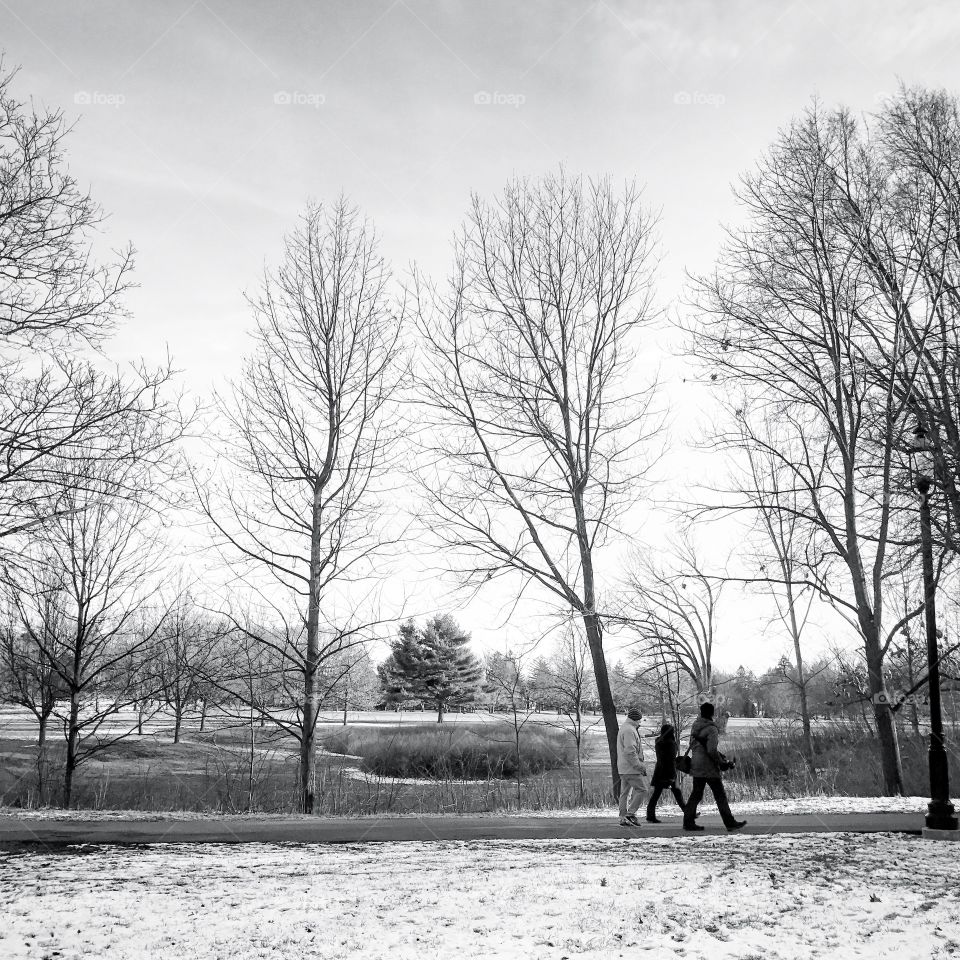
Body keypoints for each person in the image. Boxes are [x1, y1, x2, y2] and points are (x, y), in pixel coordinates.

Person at [682, 702, 747, 833]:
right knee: (720, 795)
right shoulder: (712, 729)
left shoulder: (696, 726)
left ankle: (688, 822)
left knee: (696, 794)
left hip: (696, 763)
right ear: (712, 713)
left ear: (701, 712)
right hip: (709, 767)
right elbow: (711, 750)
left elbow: (693, 744)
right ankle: (730, 823)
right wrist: (721, 762)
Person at [645, 722, 687, 823]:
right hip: (669, 772)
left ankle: (650, 815)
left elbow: (664, 759)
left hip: (659, 770)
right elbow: (671, 760)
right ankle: (689, 813)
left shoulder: (659, 742)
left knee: (657, 794)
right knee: (677, 793)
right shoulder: (671, 744)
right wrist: (672, 775)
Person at [616, 707, 647, 826]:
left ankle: (623, 817)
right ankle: (631, 814)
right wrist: (639, 766)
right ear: (636, 719)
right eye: (640, 720)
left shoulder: (625, 728)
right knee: (642, 790)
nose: (640, 722)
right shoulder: (630, 730)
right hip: (631, 769)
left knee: (625, 794)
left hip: (623, 768)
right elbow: (630, 751)